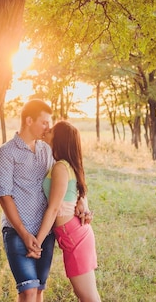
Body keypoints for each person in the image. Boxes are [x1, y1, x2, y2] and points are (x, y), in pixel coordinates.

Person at [0, 99, 56, 302]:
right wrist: (25, 234)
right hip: (18, 232)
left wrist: (81, 202)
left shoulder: (47, 150)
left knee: (38, 291)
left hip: (45, 232)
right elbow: (4, 196)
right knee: (27, 291)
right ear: (29, 120)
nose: (48, 127)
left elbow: (62, 180)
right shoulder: (6, 153)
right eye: (44, 122)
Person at [33, 120, 101, 302]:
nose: (48, 129)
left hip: (73, 236)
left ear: (59, 138)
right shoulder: (62, 165)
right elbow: (75, 193)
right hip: (73, 234)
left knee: (88, 297)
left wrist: (36, 243)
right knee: (89, 296)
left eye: (53, 129)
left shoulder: (61, 167)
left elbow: (54, 208)